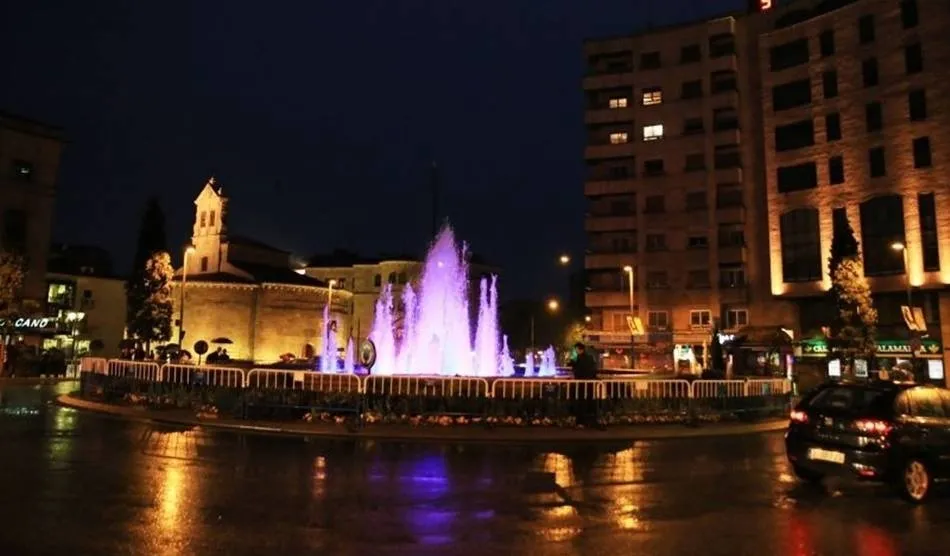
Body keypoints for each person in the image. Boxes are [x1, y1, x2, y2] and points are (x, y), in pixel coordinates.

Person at [570, 343, 601, 428]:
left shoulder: (579, 358)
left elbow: (575, 368)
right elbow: (594, 369)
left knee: (581, 402)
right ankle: (592, 420)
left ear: (579, 349)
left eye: (576, 350)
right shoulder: (590, 357)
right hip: (590, 383)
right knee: (590, 401)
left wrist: (572, 361)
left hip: (581, 383)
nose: (575, 351)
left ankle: (581, 421)